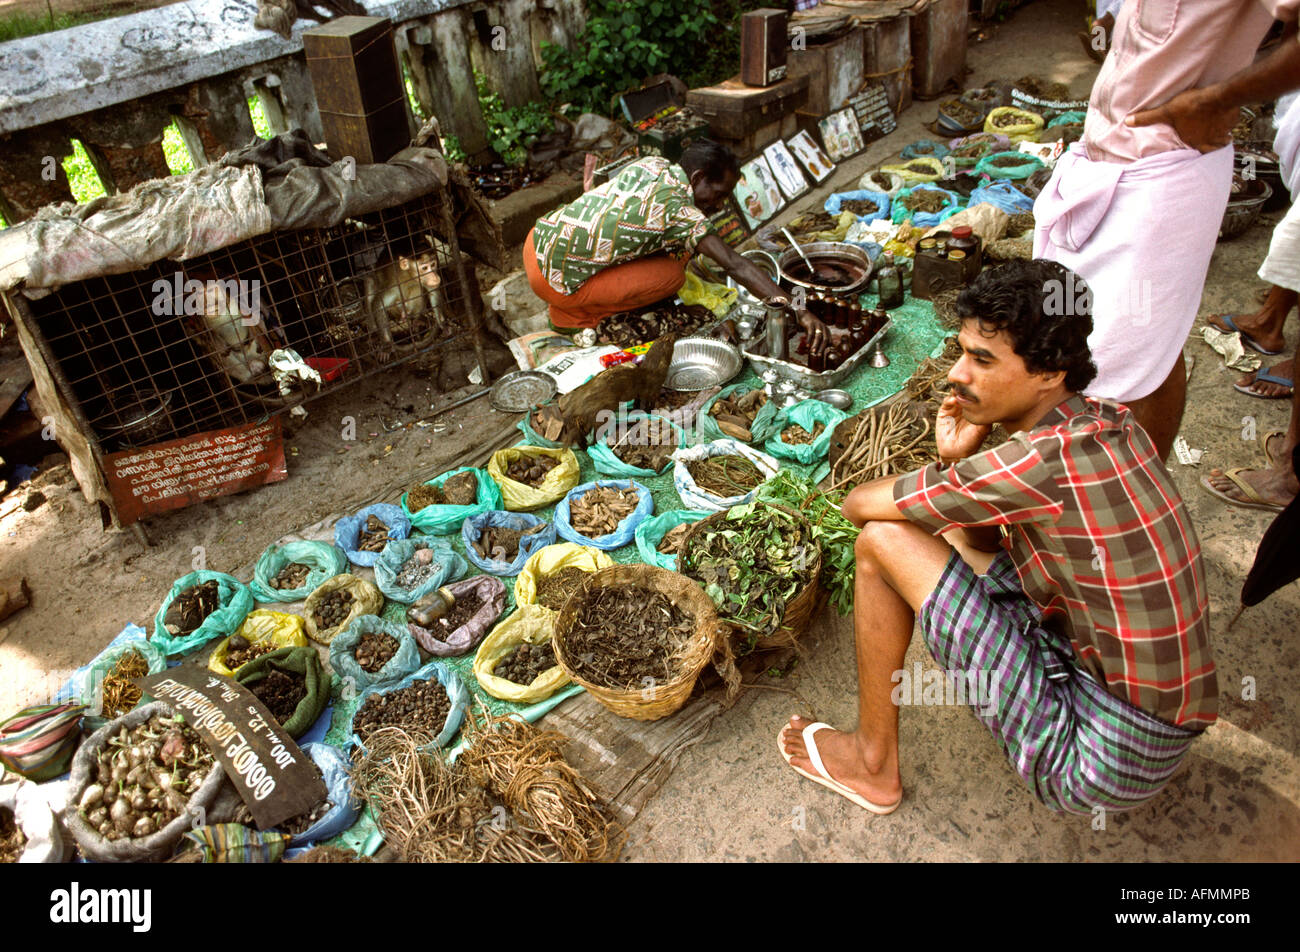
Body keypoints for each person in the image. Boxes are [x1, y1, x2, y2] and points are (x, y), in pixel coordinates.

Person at [779, 261, 1217, 816]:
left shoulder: (1037, 461)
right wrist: (954, 463)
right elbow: (980, 540)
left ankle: (872, 764)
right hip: (1159, 723)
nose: (955, 375)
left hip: (1100, 763)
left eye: (982, 360)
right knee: (954, 543)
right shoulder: (1109, 421)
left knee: (884, 541)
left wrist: (945, 473)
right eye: (961, 351)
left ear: (1049, 373)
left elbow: (858, 505)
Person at [1034, 1, 1300, 461]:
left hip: (1162, 171)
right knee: (1125, 342)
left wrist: (1219, 98)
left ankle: (1131, 500)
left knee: (1122, 358)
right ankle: (1129, 492)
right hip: (1105, 158)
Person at [523, 140, 829, 351]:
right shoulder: (680, 211)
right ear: (697, 178)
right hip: (551, 281)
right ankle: (584, 316)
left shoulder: (653, 165)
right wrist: (799, 309)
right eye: (719, 194)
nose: (719, 205)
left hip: (537, 240)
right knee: (671, 277)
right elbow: (736, 264)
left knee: (680, 252)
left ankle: (581, 298)